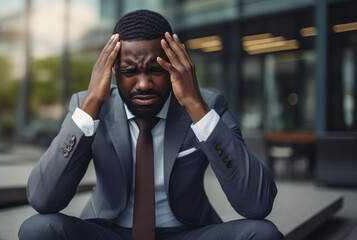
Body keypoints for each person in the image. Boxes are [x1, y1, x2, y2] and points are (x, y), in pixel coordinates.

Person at [19, 9, 283, 240]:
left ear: (176, 66)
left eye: (156, 70)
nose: (143, 84)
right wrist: (90, 106)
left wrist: (196, 107)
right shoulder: (89, 106)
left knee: (264, 234)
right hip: (109, 232)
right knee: (38, 229)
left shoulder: (207, 105)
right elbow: (43, 199)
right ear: (112, 71)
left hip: (186, 233)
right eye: (130, 72)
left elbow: (257, 204)